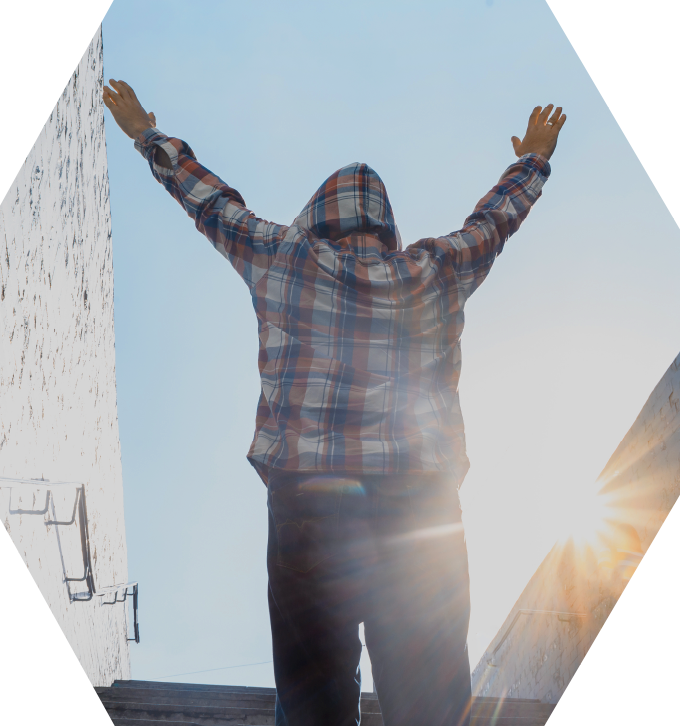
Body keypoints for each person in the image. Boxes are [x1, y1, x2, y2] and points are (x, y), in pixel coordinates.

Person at [103, 78, 566, 726]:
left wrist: (146, 134)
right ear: (384, 226)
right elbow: (494, 223)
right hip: (419, 510)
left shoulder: (285, 259)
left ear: (318, 215)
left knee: (314, 690)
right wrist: (533, 158)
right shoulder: (433, 270)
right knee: (428, 697)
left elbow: (212, 202)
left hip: (309, 508)